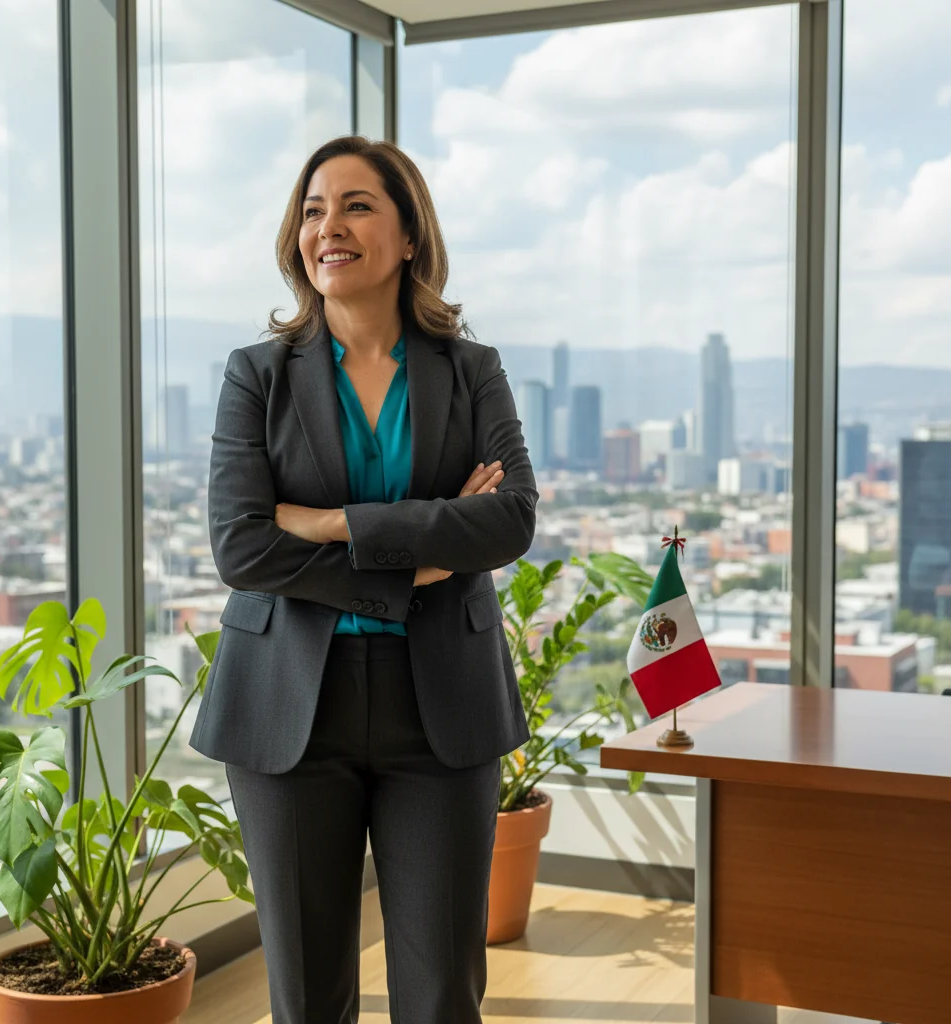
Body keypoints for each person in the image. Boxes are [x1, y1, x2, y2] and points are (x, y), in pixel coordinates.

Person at [188, 134, 537, 1024]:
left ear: (410, 233)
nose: (328, 227)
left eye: (355, 205)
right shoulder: (256, 375)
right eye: (312, 209)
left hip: (442, 709)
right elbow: (242, 547)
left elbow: (509, 520)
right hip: (289, 711)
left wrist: (338, 523)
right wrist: (413, 558)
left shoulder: (470, 369)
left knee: (441, 995)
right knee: (307, 998)